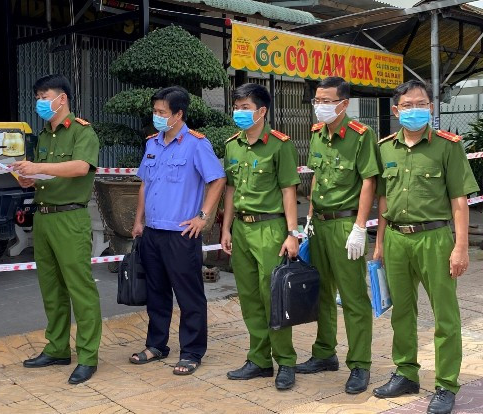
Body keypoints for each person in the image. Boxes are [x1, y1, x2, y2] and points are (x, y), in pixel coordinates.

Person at [372, 80, 478, 414]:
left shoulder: (448, 146)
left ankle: (446, 384)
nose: (415, 110)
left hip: (435, 239)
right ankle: (405, 372)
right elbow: (384, 200)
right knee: (402, 311)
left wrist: (460, 247)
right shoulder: (385, 148)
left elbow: (460, 201)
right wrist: (378, 245)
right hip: (396, 240)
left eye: (421, 104)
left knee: (445, 314)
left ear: (431, 107)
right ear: (395, 110)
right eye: (407, 105)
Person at [128, 86, 226, 375]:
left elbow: (217, 180)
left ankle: (192, 351)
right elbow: (145, 184)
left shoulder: (196, 144)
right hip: (153, 233)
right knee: (156, 293)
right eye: (155, 111)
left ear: (178, 114)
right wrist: (138, 221)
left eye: (162, 112)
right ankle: (156, 345)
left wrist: (202, 217)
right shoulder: (152, 144)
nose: (157, 117)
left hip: (182, 234)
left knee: (189, 296)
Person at [12, 74, 102, 385]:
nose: (39, 102)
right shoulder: (44, 135)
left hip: (70, 219)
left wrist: (38, 168)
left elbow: (80, 167)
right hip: (44, 217)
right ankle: (57, 348)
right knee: (51, 289)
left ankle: (88, 356)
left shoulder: (82, 131)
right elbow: (47, 175)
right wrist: (29, 178)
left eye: (43, 95)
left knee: (80, 289)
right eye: (36, 96)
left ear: (61, 98)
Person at [294, 77, 380, 394]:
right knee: (322, 294)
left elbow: (369, 182)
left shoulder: (361, 136)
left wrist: (360, 227)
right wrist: (310, 220)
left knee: (354, 297)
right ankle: (324, 353)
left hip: (346, 225)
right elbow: (316, 178)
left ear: (343, 103)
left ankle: (359, 365)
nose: (320, 106)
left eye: (327, 101)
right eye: (317, 100)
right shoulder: (318, 135)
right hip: (320, 225)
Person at [220, 83, 301, 391]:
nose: (239, 113)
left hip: (270, 228)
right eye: (236, 107)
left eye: (245, 108)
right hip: (241, 228)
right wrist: (226, 228)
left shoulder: (280, 145)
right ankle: (259, 360)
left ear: (262, 111)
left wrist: (292, 233)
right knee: (251, 297)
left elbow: (288, 191)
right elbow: (230, 189)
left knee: (274, 298)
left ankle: (286, 362)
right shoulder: (232, 145)